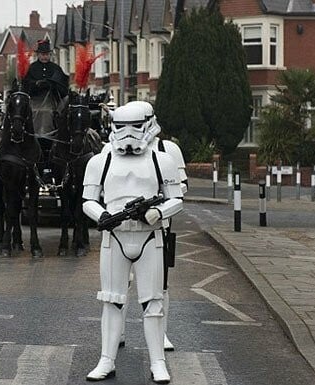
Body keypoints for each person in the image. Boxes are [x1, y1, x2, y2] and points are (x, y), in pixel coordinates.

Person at [82, 101, 184, 383]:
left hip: (149, 236)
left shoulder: (161, 160)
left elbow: (176, 198)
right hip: (114, 236)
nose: (128, 134)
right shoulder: (100, 161)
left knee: (152, 303)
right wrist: (103, 214)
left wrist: (157, 212)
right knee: (112, 301)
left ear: (149, 124)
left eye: (135, 127)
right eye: (121, 127)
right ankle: (106, 359)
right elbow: (88, 200)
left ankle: (158, 362)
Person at [118, 101, 189, 352]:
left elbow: (181, 186)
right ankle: (118, 331)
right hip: (122, 227)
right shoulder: (116, 150)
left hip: (160, 225)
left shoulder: (168, 150)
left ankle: (162, 334)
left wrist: (158, 204)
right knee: (120, 282)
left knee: (160, 284)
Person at [22, 39, 69, 141]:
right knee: (37, 112)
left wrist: (54, 85)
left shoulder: (56, 68)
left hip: (53, 100)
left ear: (50, 55)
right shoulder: (32, 68)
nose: (44, 57)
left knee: (55, 111)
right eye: (42, 54)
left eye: (46, 54)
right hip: (35, 100)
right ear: (38, 55)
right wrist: (37, 84)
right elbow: (26, 85)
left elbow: (64, 86)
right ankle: (32, 134)